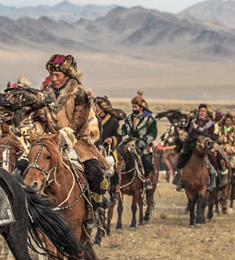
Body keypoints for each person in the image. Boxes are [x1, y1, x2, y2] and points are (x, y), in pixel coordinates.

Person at [39, 54, 109, 227]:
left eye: (57, 76)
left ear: (67, 76)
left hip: (76, 141)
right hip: (48, 141)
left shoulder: (79, 94)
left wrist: (64, 136)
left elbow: (78, 121)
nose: (53, 79)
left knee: (94, 173)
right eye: (51, 75)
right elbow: (39, 118)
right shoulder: (43, 95)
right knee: (23, 168)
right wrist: (35, 131)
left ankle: (93, 209)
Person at [121, 90, 158, 190]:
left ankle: (147, 178)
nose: (133, 108)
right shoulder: (129, 118)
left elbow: (153, 133)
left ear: (141, 108)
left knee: (146, 159)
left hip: (142, 144)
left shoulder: (150, 119)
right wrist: (120, 132)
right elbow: (124, 128)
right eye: (132, 106)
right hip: (129, 142)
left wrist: (145, 141)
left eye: (135, 107)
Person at [175, 103, 218, 191]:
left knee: (212, 159)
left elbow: (210, 135)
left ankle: (213, 179)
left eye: (204, 111)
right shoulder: (192, 122)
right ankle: (180, 180)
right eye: (200, 111)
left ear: (207, 113)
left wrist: (199, 134)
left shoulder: (210, 124)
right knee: (182, 158)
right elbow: (187, 131)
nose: (202, 113)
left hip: (204, 147)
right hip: (191, 146)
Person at [217, 113, 235, 194]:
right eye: (226, 120)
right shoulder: (220, 130)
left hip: (232, 151)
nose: (228, 122)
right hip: (221, 149)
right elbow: (217, 140)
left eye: (229, 120)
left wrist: (233, 149)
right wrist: (222, 148)